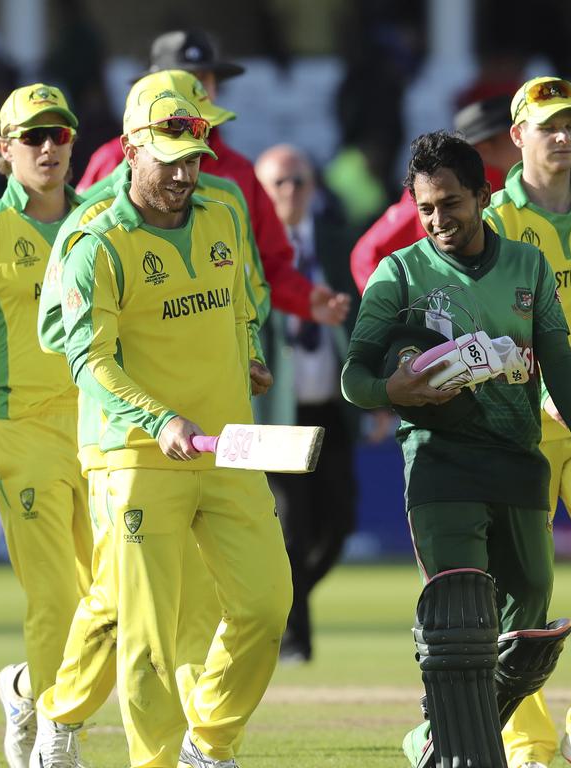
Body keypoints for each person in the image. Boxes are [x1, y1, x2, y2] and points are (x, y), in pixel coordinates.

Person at [341, 130, 571, 768]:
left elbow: (562, 361)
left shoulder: (527, 266)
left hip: (519, 463)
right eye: (427, 207)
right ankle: (469, 755)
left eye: (452, 204)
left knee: (530, 637)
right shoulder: (400, 274)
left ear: (484, 196)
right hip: (438, 464)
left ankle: (435, 738)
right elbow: (356, 375)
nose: (439, 220)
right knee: (462, 619)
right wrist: (394, 388)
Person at [30, 72, 271, 767]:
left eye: (195, 154)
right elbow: (87, 360)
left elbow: (239, 304)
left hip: (228, 445)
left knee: (264, 607)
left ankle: (209, 743)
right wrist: (158, 416)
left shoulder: (224, 212)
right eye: (169, 155)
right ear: (131, 148)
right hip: (136, 453)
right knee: (149, 638)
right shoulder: (95, 240)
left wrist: (247, 353)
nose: (185, 171)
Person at [481, 76, 571, 768]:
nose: (563, 136)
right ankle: (526, 738)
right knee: (520, 583)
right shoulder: (496, 223)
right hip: (517, 431)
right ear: (517, 136)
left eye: (570, 122)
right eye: (547, 125)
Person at [0, 83, 92, 768]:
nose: (46, 147)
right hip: (23, 431)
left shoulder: (106, 222)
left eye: (57, 134)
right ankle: (58, 738)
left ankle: (25, 689)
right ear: (3, 149)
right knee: (57, 600)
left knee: (119, 604)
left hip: (107, 431)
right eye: (31, 136)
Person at [349, 51, 571, 293]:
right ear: (500, 142)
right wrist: (406, 320)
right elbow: (369, 255)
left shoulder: (562, 184)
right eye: (541, 129)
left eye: (564, 126)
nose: (555, 139)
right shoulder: (444, 194)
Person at [77, 28, 350, 328]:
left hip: (220, 353)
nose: (197, 90)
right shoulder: (113, 160)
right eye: (183, 79)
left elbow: (267, 264)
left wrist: (304, 298)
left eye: (205, 79)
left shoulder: (239, 175)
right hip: (136, 346)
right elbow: (78, 256)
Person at [255, 143, 360, 663]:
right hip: (277, 412)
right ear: (261, 192)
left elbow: (362, 321)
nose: (291, 192)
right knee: (291, 527)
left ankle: (285, 606)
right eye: (280, 182)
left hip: (331, 408)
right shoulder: (244, 252)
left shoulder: (338, 245)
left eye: (299, 181)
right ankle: (295, 640)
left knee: (339, 524)